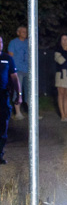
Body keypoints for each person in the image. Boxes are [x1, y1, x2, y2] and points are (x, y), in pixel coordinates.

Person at [0, 36, 23, 164]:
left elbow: (14, 78)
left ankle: (0, 154)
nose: (0, 44)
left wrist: (19, 95)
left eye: (1, 42)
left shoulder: (7, 59)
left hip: (3, 95)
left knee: (3, 126)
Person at [7, 26, 28, 119]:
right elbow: (10, 56)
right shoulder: (13, 43)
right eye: (22, 31)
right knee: (18, 91)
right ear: (18, 33)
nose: (24, 33)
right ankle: (17, 112)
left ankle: (32, 112)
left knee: (30, 91)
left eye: (26, 31)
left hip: (28, 70)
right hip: (18, 70)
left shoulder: (28, 43)